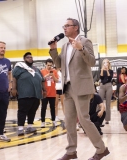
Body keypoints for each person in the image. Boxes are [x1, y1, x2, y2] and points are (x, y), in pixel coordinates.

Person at [49, 18, 109, 160]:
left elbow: (92, 61)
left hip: (81, 87)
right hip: (67, 87)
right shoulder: (64, 46)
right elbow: (59, 65)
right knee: (69, 120)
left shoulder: (85, 41)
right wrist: (53, 49)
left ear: (75, 27)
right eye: (64, 26)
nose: (64, 28)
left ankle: (101, 149)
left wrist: (81, 48)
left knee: (84, 119)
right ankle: (71, 151)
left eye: (67, 26)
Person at [12, 52, 46, 136]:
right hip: (24, 94)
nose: (30, 58)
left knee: (33, 110)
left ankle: (30, 126)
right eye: (28, 57)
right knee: (22, 111)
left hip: (36, 94)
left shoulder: (36, 69)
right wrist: (13, 88)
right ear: (24, 59)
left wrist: (44, 90)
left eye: (31, 57)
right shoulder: (19, 68)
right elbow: (14, 78)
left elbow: (42, 80)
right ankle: (20, 128)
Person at [40, 59, 58, 127]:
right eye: (48, 65)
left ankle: (53, 120)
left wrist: (52, 75)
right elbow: (41, 79)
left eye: (51, 65)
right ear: (45, 64)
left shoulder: (55, 71)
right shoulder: (42, 71)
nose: (49, 66)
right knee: (43, 107)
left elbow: (57, 81)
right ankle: (43, 121)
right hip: (44, 93)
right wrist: (47, 75)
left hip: (52, 93)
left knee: (52, 107)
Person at [98, 59, 113, 125]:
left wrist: (107, 70)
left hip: (109, 85)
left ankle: (107, 119)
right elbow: (101, 78)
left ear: (109, 63)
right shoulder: (101, 70)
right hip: (102, 85)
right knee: (100, 102)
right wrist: (102, 69)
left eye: (107, 62)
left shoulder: (111, 71)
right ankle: (99, 117)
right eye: (104, 62)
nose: (106, 63)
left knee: (108, 103)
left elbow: (110, 78)